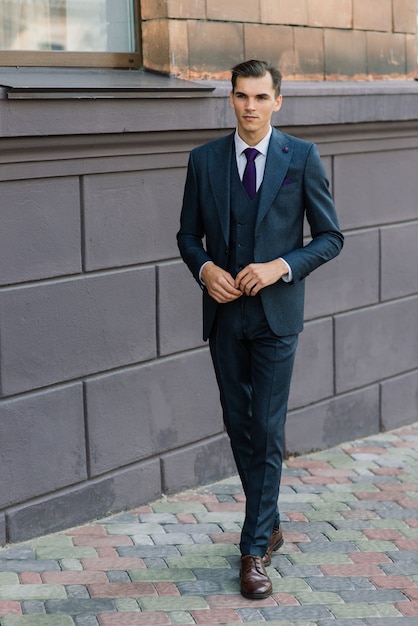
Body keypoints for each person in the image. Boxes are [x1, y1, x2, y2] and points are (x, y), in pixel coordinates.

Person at [177, 59, 344, 600]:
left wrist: (280, 266)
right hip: (225, 315)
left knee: (267, 426)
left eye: (260, 96)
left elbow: (330, 236)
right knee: (238, 422)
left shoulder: (302, 157)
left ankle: (252, 550)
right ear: (230, 99)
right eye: (241, 96)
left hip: (277, 318)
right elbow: (186, 236)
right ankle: (268, 519)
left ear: (278, 101)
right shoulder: (203, 161)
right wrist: (205, 270)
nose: (250, 106)